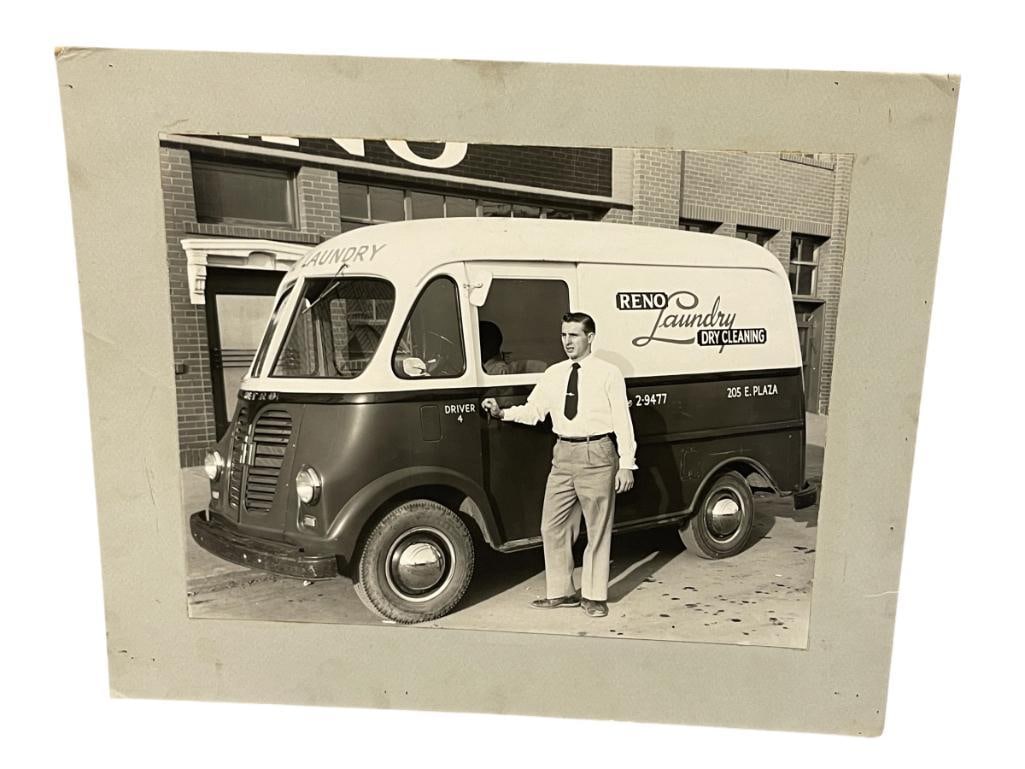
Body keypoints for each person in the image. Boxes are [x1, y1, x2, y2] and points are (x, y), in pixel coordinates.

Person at [481, 312, 636, 618]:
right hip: (563, 454)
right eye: (564, 335)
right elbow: (535, 411)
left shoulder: (608, 373)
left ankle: (594, 596)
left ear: (589, 338)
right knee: (552, 526)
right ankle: (562, 592)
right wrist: (502, 413)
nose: (567, 341)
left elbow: (622, 419)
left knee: (597, 528)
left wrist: (627, 463)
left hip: (598, 452)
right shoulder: (553, 373)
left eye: (574, 335)